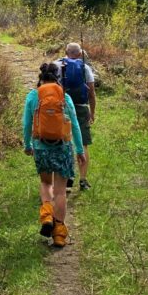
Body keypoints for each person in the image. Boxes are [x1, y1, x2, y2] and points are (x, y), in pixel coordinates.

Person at [23, 62, 86, 248]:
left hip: (40, 147)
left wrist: (27, 145)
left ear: (40, 78)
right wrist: (80, 150)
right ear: (58, 78)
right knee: (60, 191)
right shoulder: (64, 97)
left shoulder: (33, 96)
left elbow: (27, 124)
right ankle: (59, 235)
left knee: (46, 183)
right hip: (63, 148)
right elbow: (74, 124)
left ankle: (46, 215)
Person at [58, 42, 96, 191]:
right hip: (80, 107)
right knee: (83, 143)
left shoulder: (56, 65)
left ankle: (66, 178)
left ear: (65, 52)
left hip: (61, 107)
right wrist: (92, 112)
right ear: (80, 54)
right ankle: (83, 180)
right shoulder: (85, 67)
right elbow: (91, 93)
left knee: (62, 142)